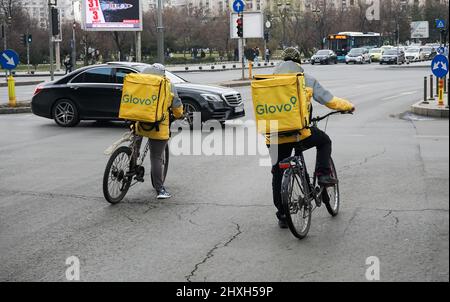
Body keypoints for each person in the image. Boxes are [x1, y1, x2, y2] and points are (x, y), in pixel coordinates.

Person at [268, 47, 355, 228]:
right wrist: (347, 106)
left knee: (278, 171)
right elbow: (330, 100)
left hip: (275, 135)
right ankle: (323, 175)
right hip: (299, 133)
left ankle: (283, 215)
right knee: (324, 141)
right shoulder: (306, 80)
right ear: (299, 63)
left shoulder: (268, 81)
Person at [141, 63, 184, 199]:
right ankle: (160, 189)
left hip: (137, 120)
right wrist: (179, 115)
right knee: (156, 157)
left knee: (134, 147)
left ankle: (131, 162)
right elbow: (176, 105)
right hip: (157, 125)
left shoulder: (140, 81)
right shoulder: (167, 84)